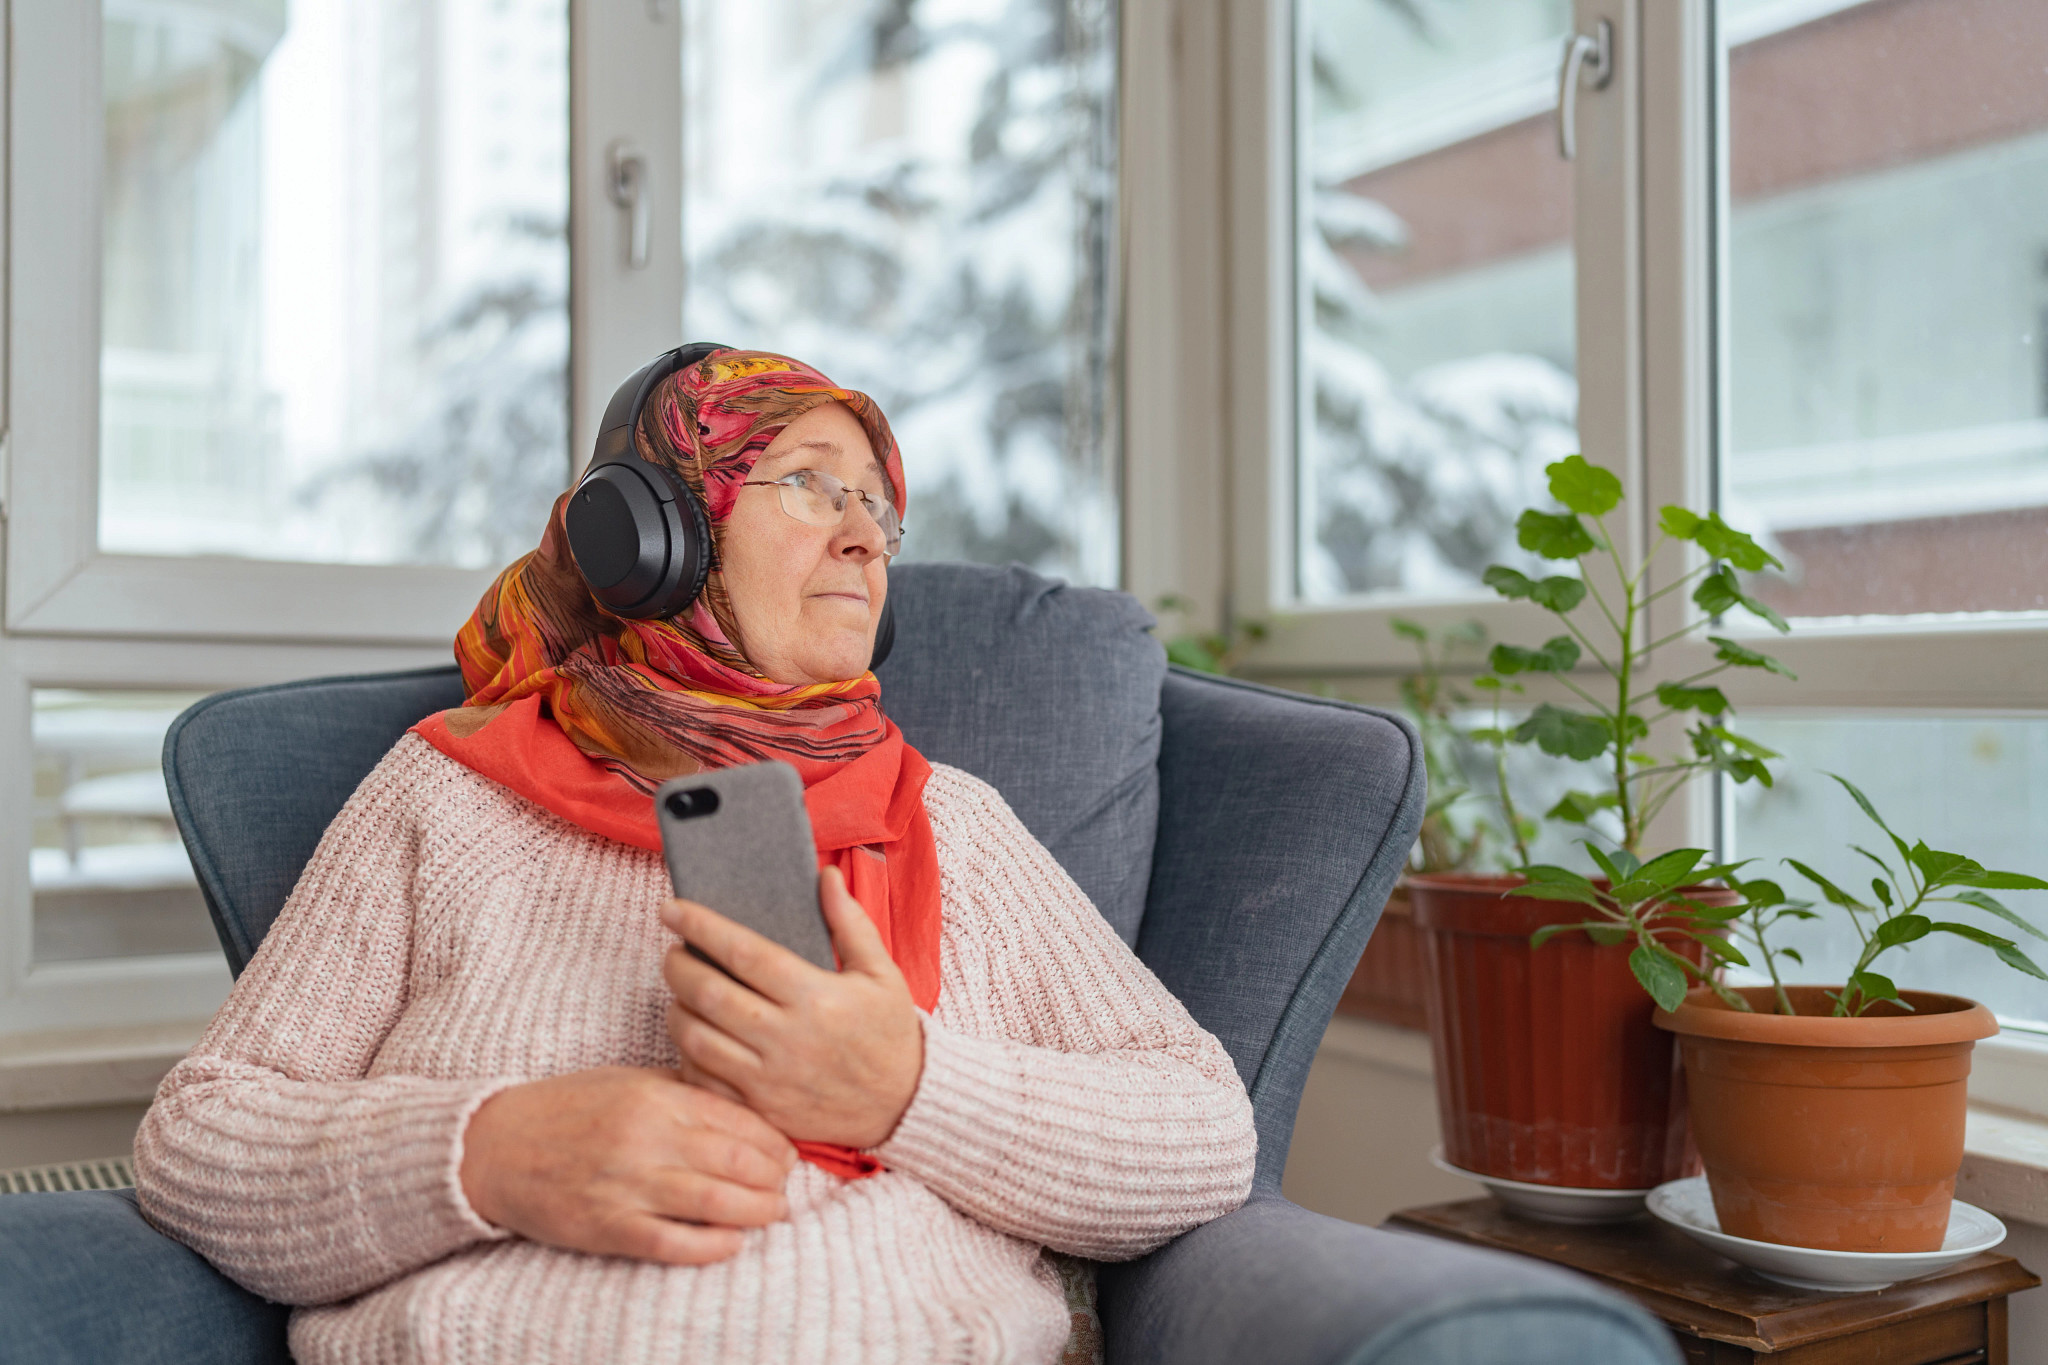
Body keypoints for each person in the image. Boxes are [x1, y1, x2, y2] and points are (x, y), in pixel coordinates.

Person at [133, 348, 1256, 1364]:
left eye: (876, 506)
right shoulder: (445, 797)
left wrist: (907, 1088)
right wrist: (488, 1156)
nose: (865, 534)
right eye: (813, 483)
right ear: (650, 534)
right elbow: (195, 1142)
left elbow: (1203, 1134)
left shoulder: (949, 821)